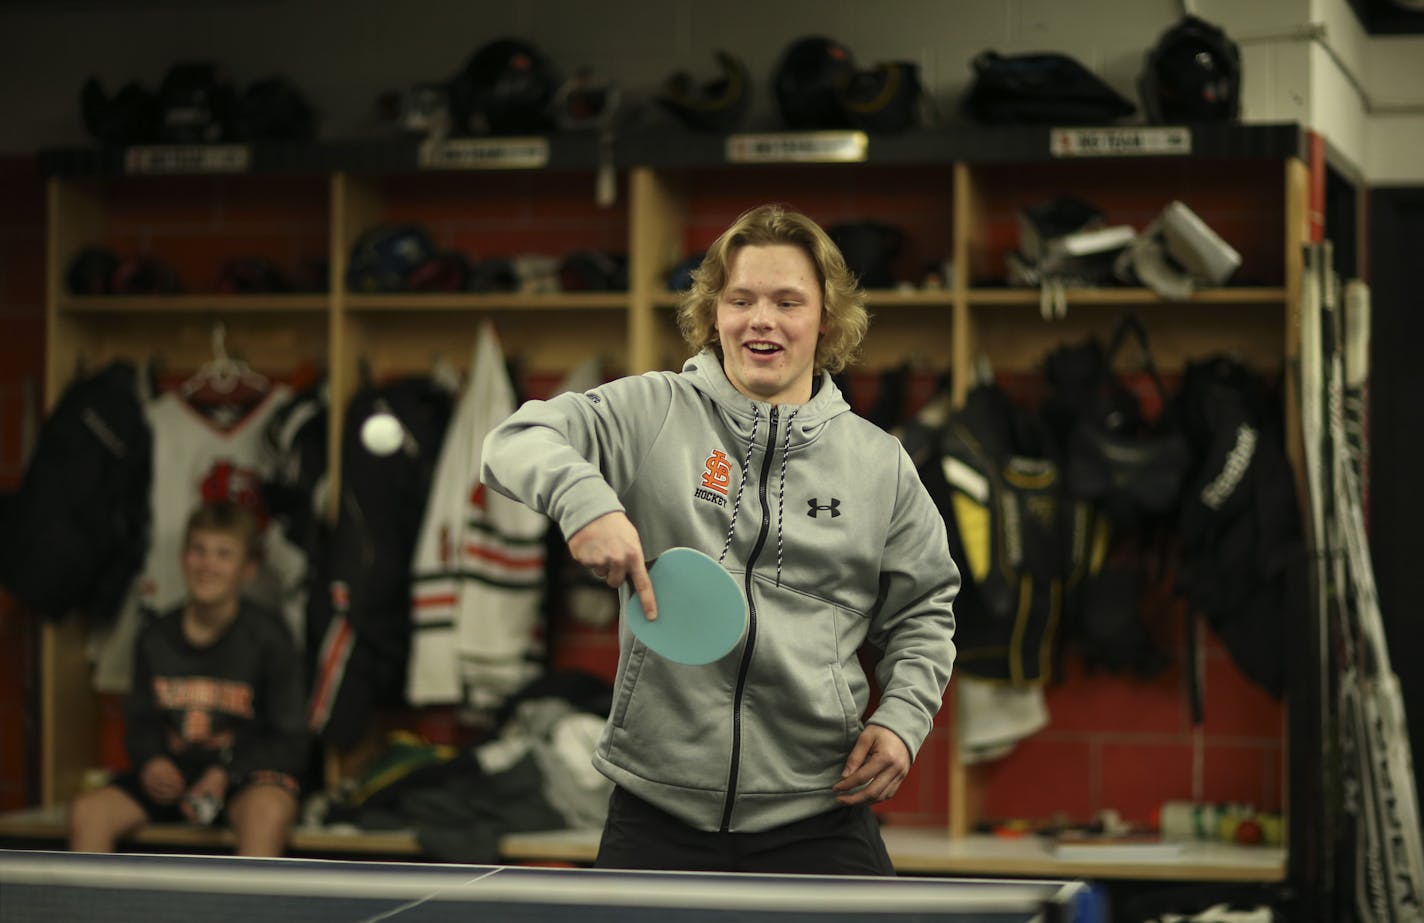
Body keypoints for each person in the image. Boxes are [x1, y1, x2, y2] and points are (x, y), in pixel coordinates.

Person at [481, 203, 960, 875]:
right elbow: (515, 440)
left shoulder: (879, 463)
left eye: (787, 301)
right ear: (714, 313)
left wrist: (903, 717)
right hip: (656, 811)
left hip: (818, 812)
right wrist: (584, 504)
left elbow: (925, 610)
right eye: (742, 299)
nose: (761, 319)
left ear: (825, 319)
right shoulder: (651, 411)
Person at [68, 500, 308, 857]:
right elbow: (140, 723)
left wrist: (227, 773)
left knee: (268, 811)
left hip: (244, 779)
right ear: (183, 557)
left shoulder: (270, 638)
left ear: (247, 568)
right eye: (199, 551)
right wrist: (152, 762)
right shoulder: (155, 637)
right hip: (174, 780)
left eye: (224, 555)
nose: (208, 565)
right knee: (88, 812)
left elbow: (291, 739)